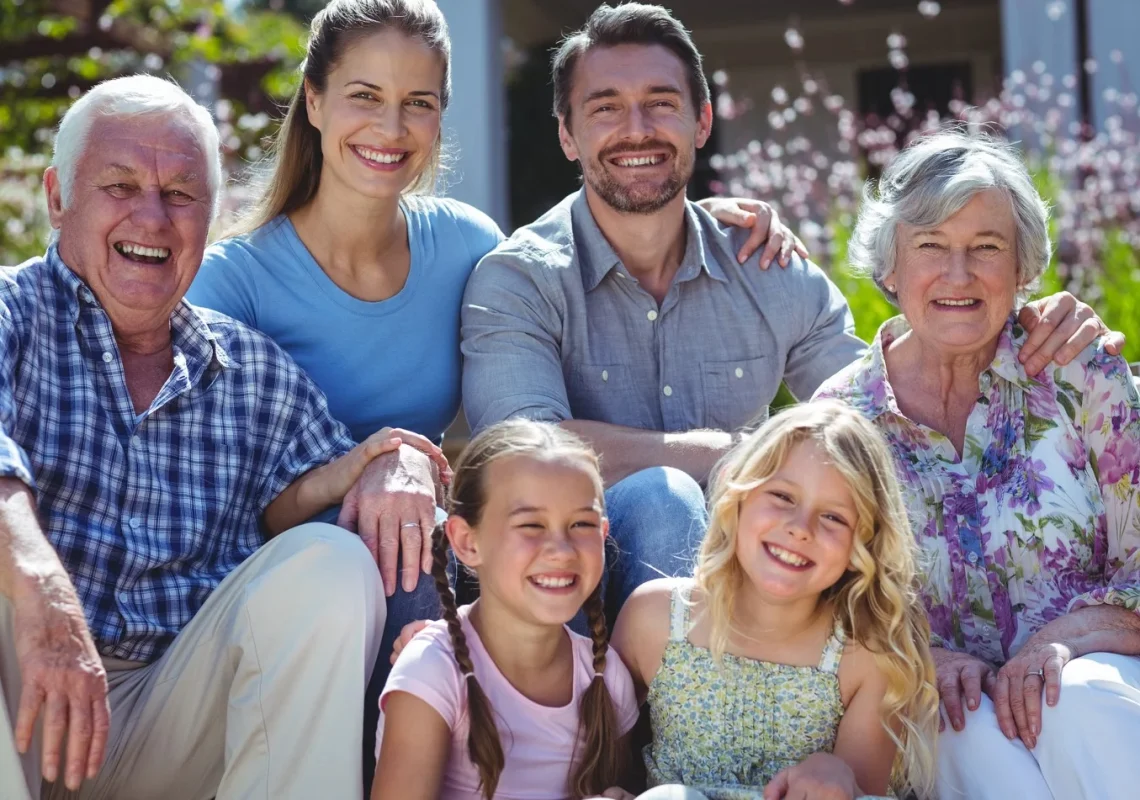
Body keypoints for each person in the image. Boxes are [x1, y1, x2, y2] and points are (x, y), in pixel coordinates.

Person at [186, 2, 803, 756]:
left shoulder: (464, 244)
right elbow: (220, 505)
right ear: (313, 101)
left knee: (625, 509)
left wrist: (685, 211)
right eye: (365, 97)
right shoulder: (232, 283)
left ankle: (644, 763)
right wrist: (370, 469)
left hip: (449, 534)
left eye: (419, 103)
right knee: (400, 538)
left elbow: (584, 237)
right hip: (317, 565)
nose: (391, 128)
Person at [460, 1, 1118, 624]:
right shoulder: (521, 279)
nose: (638, 129)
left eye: (661, 104)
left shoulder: (767, 268)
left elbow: (877, 415)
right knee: (663, 497)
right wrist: (730, 454)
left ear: (703, 122)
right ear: (567, 135)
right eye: (606, 109)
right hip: (561, 580)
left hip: (756, 590)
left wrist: (1023, 319)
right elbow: (520, 455)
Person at [0, 74, 447, 800]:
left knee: (329, 563)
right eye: (119, 186)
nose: (152, 217)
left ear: (211, 218)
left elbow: (341, 472)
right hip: (19, 689)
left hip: (164, 716)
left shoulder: (250, 373)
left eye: (180, 194)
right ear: (57, 197)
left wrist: (396, 464)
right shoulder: (10, 312)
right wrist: (42, 590)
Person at [814, 129, 1140, 800]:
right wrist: (920, 658)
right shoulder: (842, 421)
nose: (957, 275)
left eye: (985, 248)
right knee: (961, 732)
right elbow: (820, 607)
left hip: (1095, 680)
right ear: (890, 270)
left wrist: (1069, 638)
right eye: (931, 246)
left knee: (1074, 699)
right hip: (940, 706)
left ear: (1022, 268)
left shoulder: (1080, 372)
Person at [611, 402, 939, 800]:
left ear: (864, 540)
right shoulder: (655, 618)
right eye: (783, 496)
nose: (800, 529)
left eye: (833, 517)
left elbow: (863, 790)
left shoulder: (867, 654)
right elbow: (604, 768)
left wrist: (838, 773)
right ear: (738, 492)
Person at [372, 420, 639, 800]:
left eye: (581, 523)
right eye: (531, 525)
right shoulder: (432, 671)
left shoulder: (607, 676)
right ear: (467, 542)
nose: (561, 549)